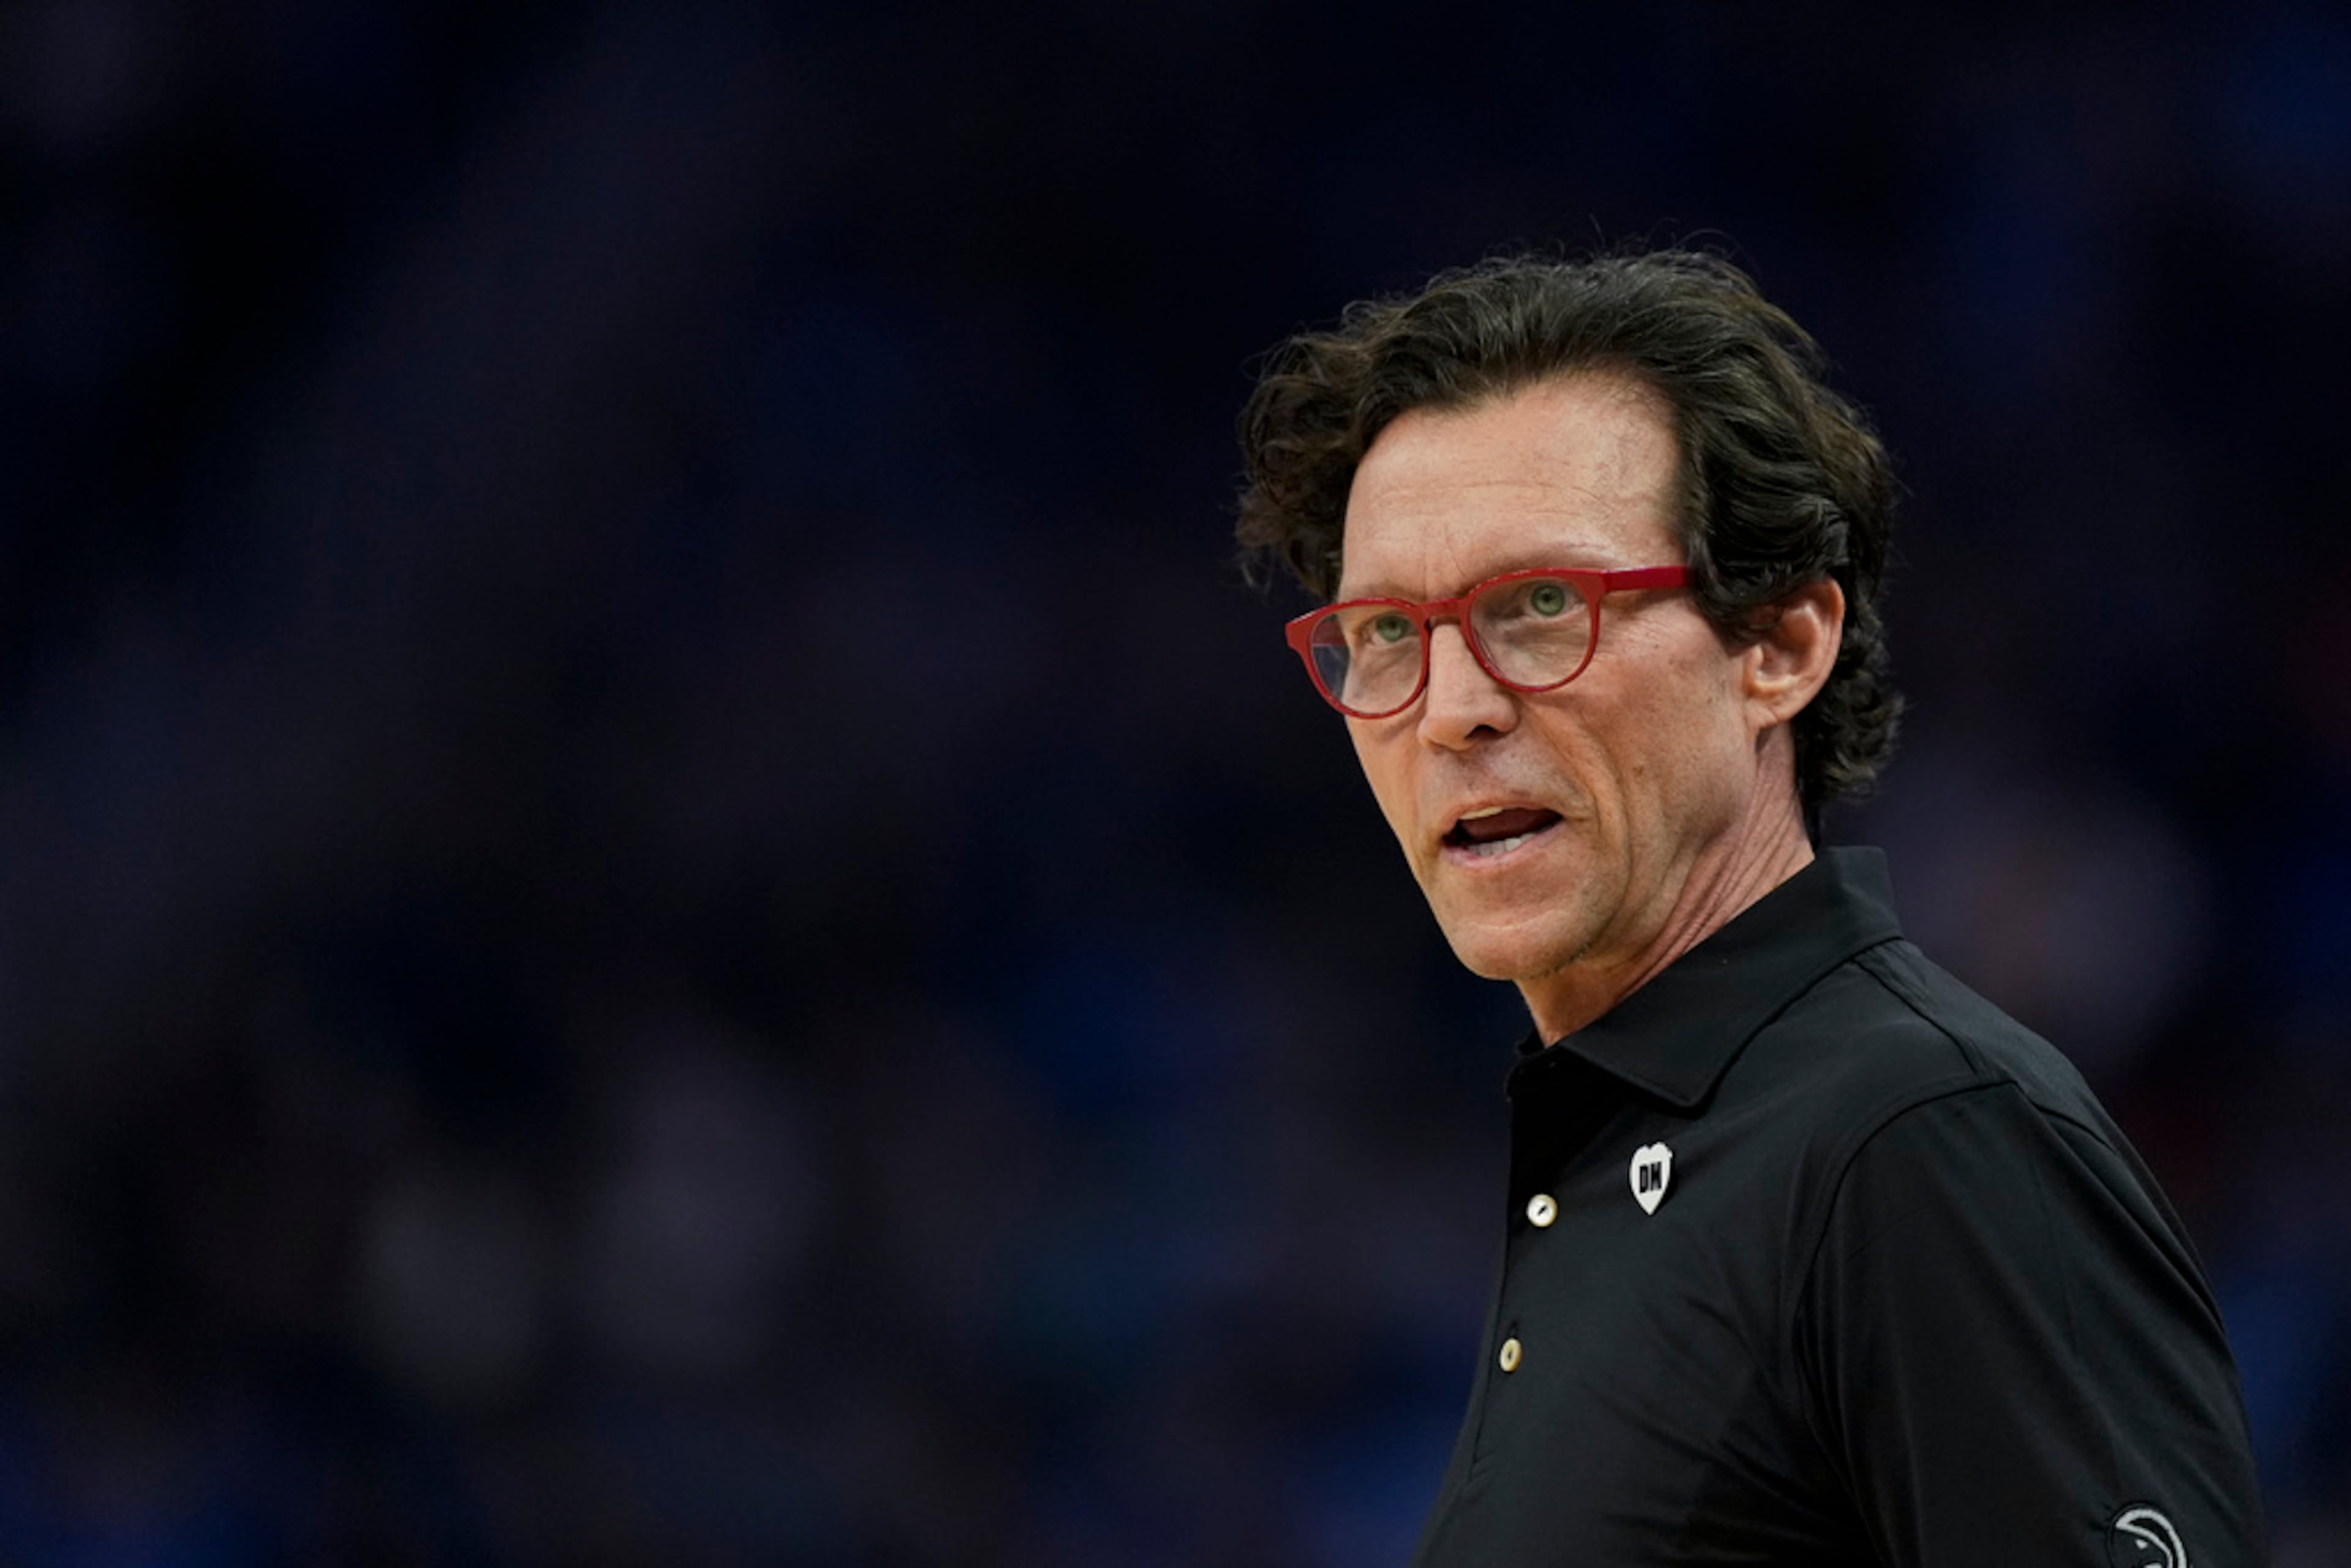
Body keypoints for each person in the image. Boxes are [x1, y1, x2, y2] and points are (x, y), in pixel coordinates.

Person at [1235, 250, 2266, 1567]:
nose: (1449, 711)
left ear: (1780, 646)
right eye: (1387, 632)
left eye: (1542, 606)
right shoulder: (1617, 1150)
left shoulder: (1920, 1138)